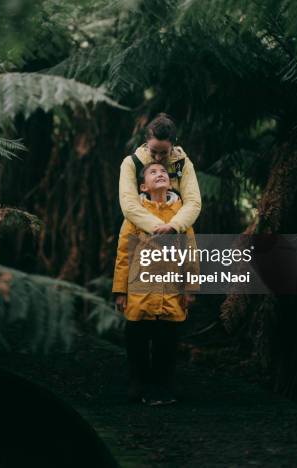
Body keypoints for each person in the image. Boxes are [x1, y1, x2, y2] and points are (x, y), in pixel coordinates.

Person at [113, 161, 199, 406]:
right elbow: (123, 255)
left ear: (171, 181)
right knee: (137, 339)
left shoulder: (182, 215)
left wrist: (190, 289)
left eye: (163, 171)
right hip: (140, 291)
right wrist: (120, 291)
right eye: (153, 172)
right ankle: (138, 381)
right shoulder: (135, 214)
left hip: (171, 290)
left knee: (167, 341)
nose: (160, 173)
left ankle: (165, 383)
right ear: (143, 186)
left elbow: (190, 253)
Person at [119, 113, 202, 236]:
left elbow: (193, 202)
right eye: (153, 152)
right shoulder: (131, 163)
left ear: (173, 146)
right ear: (146, 142)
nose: (158, 158)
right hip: (139, 234)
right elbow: (129, 204)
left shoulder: (183, 164)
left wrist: (174, 226)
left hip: (178, 234)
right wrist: (159, 228)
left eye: (164, 153)